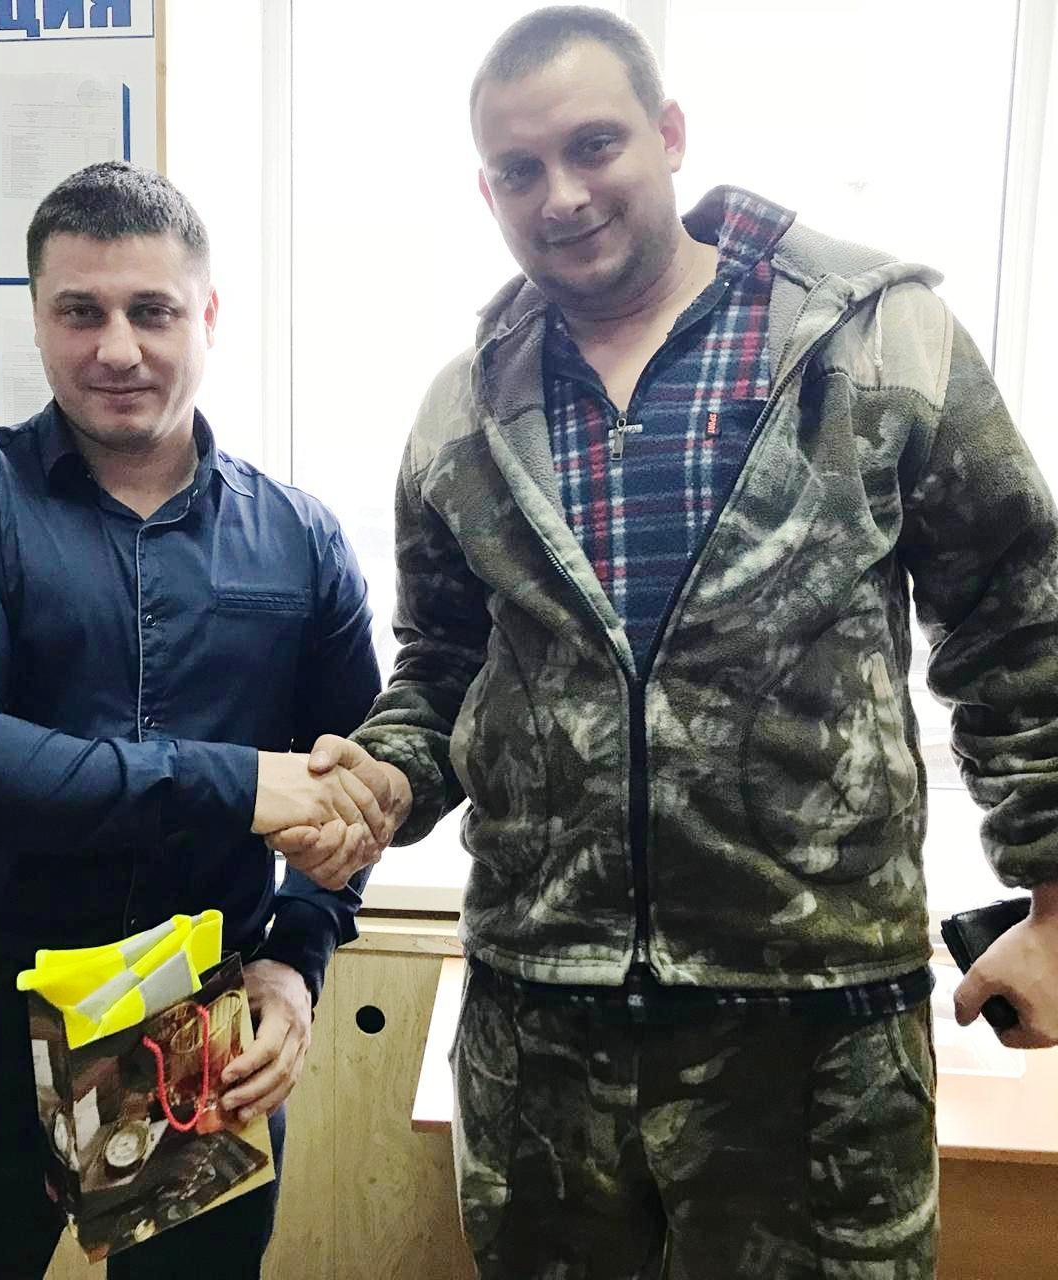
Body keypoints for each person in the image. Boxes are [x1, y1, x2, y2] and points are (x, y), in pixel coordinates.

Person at [274, 7, 1058, 1277]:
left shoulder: (873, 341)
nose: (561, 194)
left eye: (594, 145)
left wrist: (1055, 894)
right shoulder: (461, 410)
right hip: (542, 1035)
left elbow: (1017, 618)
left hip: (811, 1036)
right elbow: (445, 668)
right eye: (518, 169)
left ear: (669, 132)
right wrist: (379, 781)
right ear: (485, 189)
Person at [0, 160, 394, 1280]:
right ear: (37, 320)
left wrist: (296, 959)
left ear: (208, 314)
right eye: (80, 312)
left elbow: (352, 792)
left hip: (200, 1033)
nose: (118, 347)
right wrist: (236, 781)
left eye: (152, 310)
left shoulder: (299, 538)